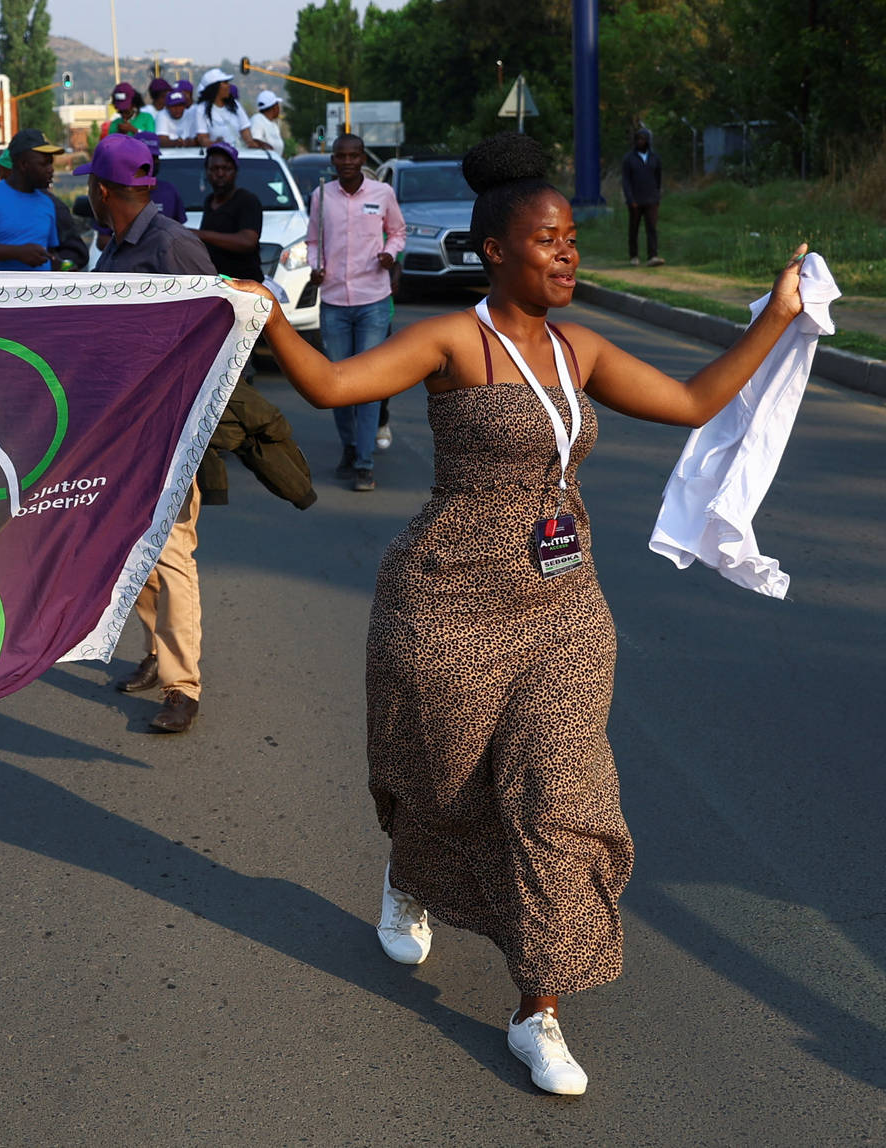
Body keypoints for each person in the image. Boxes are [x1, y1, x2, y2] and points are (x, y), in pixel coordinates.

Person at [236, 131, 808, 1097]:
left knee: (557, 801)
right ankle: (410, 869)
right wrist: (266, 317)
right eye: (549, 241)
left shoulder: (580, 348)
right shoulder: (454, 340)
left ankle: (537, 1007)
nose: (568, 255)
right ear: (495, 249)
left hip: (563, 609)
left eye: (573, 241)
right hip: (447, 599)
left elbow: (693, 400)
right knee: (449, 782)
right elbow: (333, 385)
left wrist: (778, 315)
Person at [81, 134, 214, 734]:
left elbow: (216, 338)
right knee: (132, 553)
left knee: (171, 552)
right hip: (123, 430)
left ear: (102, 190)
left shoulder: (174, 246)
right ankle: (158, 656)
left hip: (170, 430)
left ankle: (183, 686)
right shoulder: (115, 246)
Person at [304, 132, 404, 492]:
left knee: (368, 386)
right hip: (333, 302)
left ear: (363, 158)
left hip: (372, 301)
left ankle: (364, 463)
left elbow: (398, 232)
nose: (347, 162)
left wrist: (390, 254)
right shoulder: (321, 196)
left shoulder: (382, 194)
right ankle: (349, 447)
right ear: (333, 160)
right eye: (340, 156)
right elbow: (313, 241)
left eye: (353, 156)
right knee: (336, 385)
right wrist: (316, 266)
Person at [0, 129, 63, 270]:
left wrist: (60, 265)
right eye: (44, 163)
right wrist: (17, 253)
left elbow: (50, 252)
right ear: (23, 165)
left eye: (51, 163)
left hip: (40, 291)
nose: (51, 170)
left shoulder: (47, 203)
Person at [193, 141, 261, 282]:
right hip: (216, 286)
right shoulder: (209, 201)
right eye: (214, 169)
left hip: (244, 287)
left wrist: (201, 235)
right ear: (207, 171)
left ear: (235, 171)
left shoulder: (247, 200)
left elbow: (248, 242)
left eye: (226, 168)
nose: (220, 174)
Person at [621, 128, 664, 267]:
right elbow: (626, 181)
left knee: (652, 227)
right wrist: (630, 199)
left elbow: (658, 178)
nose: (640, 142)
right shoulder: (629, 159)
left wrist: (657, 196)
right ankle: (634, 256)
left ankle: (653, 255)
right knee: (634, 228)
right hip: (635, 200)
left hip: (651, 199)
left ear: (648, 141)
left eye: (643, 139)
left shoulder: (654, 158)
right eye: (638, 139)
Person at [190, 68, 246, 151]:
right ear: (215, 87)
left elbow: (246, 132)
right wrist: (217, 144)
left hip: (240, 154)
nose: (229, 85)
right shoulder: (201, 109)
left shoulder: (235, 105)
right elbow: (202, 138)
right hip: (217, 155)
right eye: (225, 83)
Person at [137, 133, 187, 223]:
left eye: (156, 157)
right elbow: (105, 235)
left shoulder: (169, 191)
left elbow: (179, 230)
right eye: (149, 157)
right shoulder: (120, 193)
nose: (154, 162)